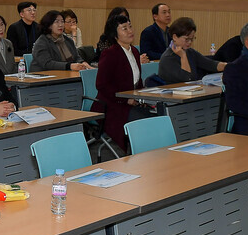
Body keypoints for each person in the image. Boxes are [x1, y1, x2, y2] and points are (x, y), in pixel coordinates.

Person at [94, 14, 152, 149]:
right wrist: (125, 100)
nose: (130, 31)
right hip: (113, 104)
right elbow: (102, 85)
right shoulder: (110, 54)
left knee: (156, 117)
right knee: (143, 122)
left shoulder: (135, 52)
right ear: (115, 34)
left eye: (130, 26)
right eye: (124, 28)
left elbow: (137, 81)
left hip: (132, 102)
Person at [158, 17, 226, 83]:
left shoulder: (190, 52)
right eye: (187, 39)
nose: (190, 42)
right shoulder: (168, 58)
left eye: (192, 39)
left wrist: (230, 66)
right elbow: (187, 78)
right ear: (175, 37)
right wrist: (183, 56)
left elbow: (211, 65)